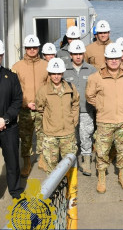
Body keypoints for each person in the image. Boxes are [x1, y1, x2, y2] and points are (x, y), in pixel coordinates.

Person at [86, 43, 123, 193]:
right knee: (102, 151)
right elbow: (89, 96)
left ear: (121, 59)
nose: (114, 61)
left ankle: (122, 175)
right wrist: (102, 106)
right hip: (104, 121)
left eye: (116, 58)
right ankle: (101, 177)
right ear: (105, 59)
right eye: (110, 58)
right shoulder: (95, 77)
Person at [12, 34, 48, 177]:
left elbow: (49, 87)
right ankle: (26, 163)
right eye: (29, 48)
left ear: (38, 48)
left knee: (43, 135)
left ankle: (42, 159)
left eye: (35, 47)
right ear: (25, 49)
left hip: (42, 108)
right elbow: (14, 90)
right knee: (26, 137)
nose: (32, 50)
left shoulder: (45, 65)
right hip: (24, 109)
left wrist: (42, 103)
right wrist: (25, 103)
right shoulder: (17, 67)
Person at [35, 58, 80, 173]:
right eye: (53, 73)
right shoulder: (43, 90)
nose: (56, 76)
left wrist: (73, 120)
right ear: (49, 74)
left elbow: (75, 103)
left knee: (69, 164)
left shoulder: (71, 88)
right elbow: (40, 108)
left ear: (62, 73)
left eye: (59, 73)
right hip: (51, 134)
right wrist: (49, 120)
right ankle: (53, 190)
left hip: (68, 133)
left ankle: (70, 189)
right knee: (51, 166)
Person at [63, 40, 97, 176]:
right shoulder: (64, 70)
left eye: (80, 53)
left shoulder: (91, 70)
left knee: (86, 136)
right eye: (75, 54)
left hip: (86, 110)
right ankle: (70, 162)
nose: (78, 56)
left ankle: (86, 161)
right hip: (69, 111)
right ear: (70, 54)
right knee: (72, 137)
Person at [0, 39, 24, 199]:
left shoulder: (11, 77)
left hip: (8, 127)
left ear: (1, 56)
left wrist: (5, 119)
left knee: (13, 161)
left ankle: (15, 191)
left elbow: (17, 100)